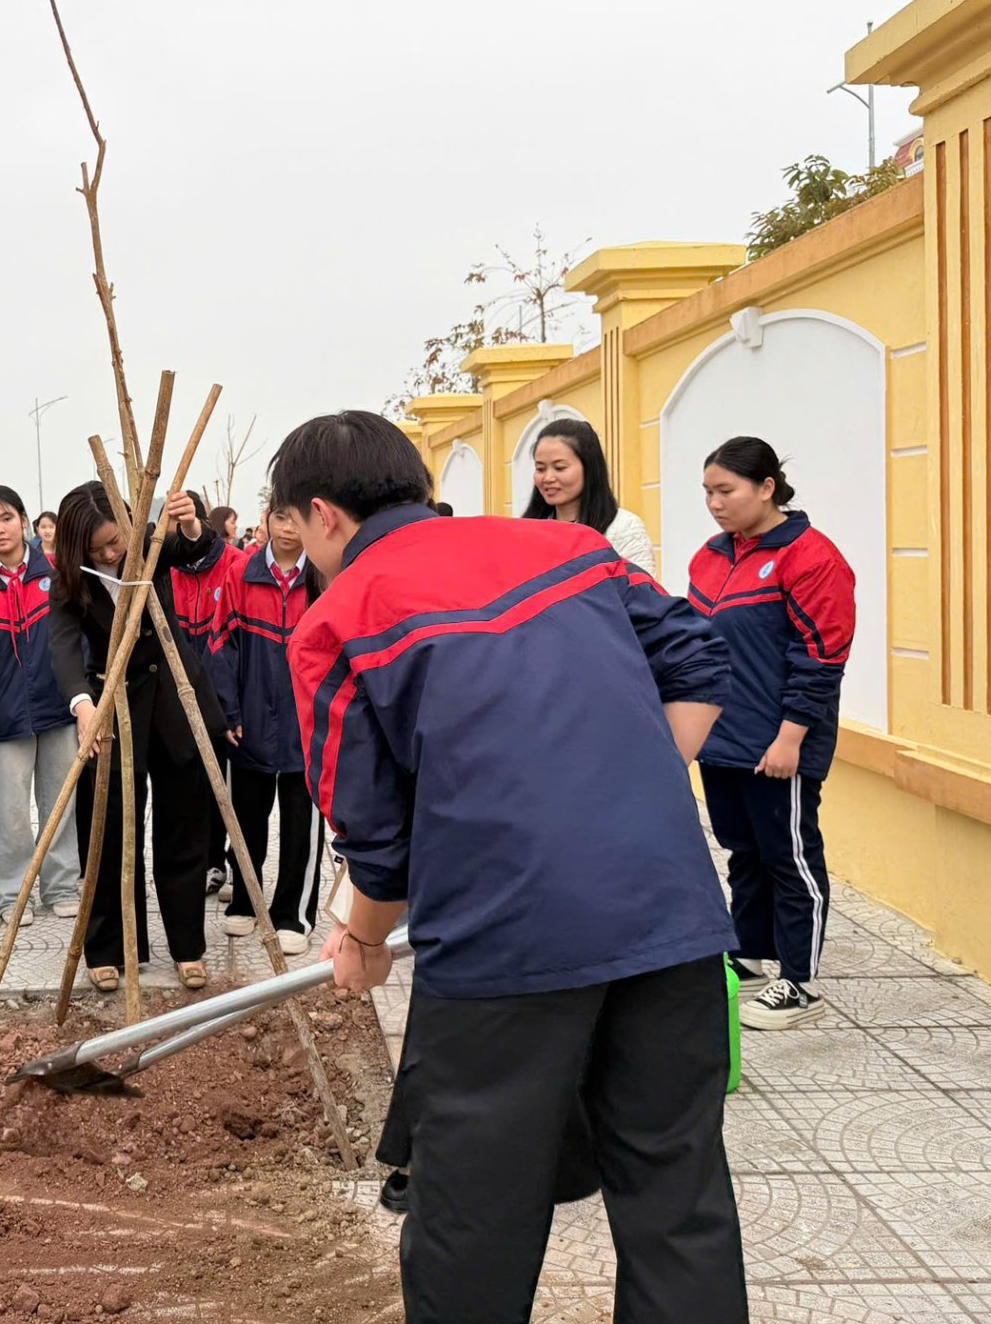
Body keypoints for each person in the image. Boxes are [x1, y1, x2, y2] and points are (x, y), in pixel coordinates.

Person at [278, 410, 747, 1324]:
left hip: (505, 949)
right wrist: (625, 785)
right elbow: (696, 656)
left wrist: (361, 941)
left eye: (297, 530)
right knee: (675, 1189)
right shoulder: (571, 548)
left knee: (473, 1212)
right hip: (666, 914)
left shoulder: (338, 621)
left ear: (323, 515)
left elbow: (378, 845)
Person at [690, 436, 855, 1031]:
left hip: (778, 741)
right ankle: (751, 956)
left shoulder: (810, 557)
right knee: (744, 852)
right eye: (708, 491)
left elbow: (821, 656)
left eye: (725, 490)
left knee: (791, 857)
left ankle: (800, 979)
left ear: (766, 488)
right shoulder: (711, 556)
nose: (714, 503)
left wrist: (790, 739)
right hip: (724, 738)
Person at [49, 482, 224, 992]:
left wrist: (191, 522)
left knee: (184, 827)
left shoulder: (147, 543)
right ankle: (107, 948)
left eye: (115, 541)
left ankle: (188, 945)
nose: (111, 553)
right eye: (100, 548)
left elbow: (195, 548)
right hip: (111, 706)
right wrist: (83, 706)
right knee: (106, 830)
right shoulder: (68, 579)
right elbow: (62, 646)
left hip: (174, 699)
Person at [0, 487, 83, 927]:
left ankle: (62, 886)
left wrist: (82, 700)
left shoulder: (59, 575)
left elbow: (79, 643)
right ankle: (11, 893)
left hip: (58, 710)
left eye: (5, 518)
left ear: (25, 520)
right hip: (1, 717)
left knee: (60, 803)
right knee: (8, 811)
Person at [211, 505, 325, 955]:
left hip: (307, 726)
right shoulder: (242, 576)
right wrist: (230, 711)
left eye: (298, 518)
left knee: (302, 823)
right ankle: (245, 900)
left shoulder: (322, 578)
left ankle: (294, 913)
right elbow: (221, 645)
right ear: (267, 521)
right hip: (252, 722)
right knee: (246, 819)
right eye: (281, 516)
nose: (289, 527)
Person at [171, 495, 247, 900]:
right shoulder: (166, 570)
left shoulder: (235, 563)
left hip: (227, 695)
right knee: (196, 785)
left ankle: (238, 866)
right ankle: (209, 862)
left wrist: (231, 701)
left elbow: (235, 641)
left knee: (233, 787)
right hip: (182, 694)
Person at [523, 417, 656, 576]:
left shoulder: (624, 528)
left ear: (589, 468)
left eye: (560, 468)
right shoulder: (528, 531)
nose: (548, 478)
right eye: (540, 469)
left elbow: (643, 595)